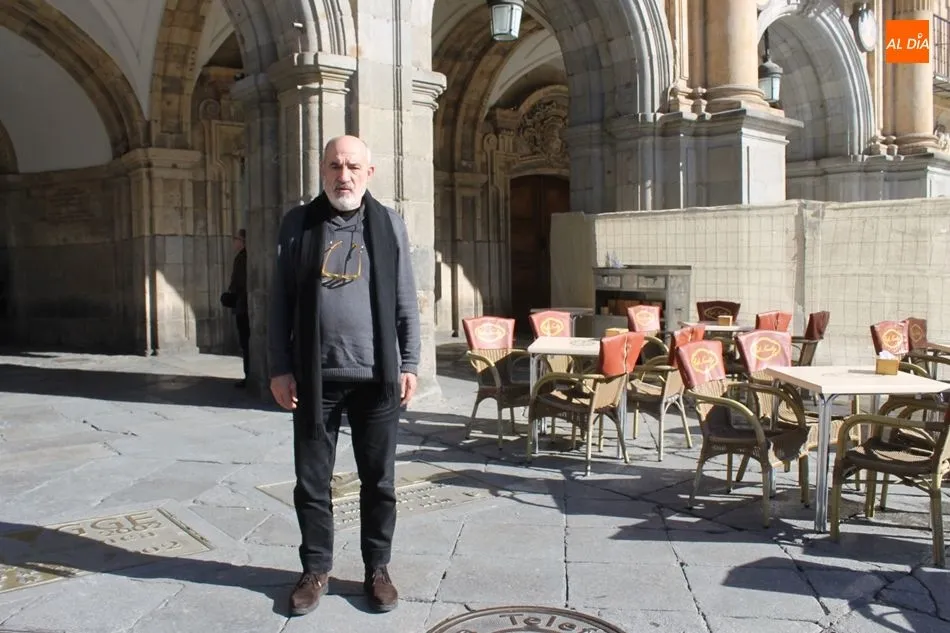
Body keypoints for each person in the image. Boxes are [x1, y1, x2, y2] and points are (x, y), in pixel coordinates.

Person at [267, 135, 420, 617]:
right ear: (322, 170)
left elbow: (406, 299)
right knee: (312, 482)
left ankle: (377, 568)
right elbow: (279, 302)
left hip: (377, 376)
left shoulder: (388, 224)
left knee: (380, 481)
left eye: (353, 166)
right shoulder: (298, 224)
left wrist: (410, 362)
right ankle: (315, 570)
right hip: (316, 378)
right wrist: (279, 368)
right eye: (335, 166)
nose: (344, 175)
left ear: (369, 172)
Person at [226, 228, 249, 388]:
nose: (234, 242)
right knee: (245, 342)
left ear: (243, 241)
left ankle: (249, 376)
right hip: (243, 305)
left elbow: (240, 283)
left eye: (236, 239)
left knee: (245, 342)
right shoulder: (242, 257)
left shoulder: (242, 258)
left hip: (243, 306)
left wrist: (231, 295)